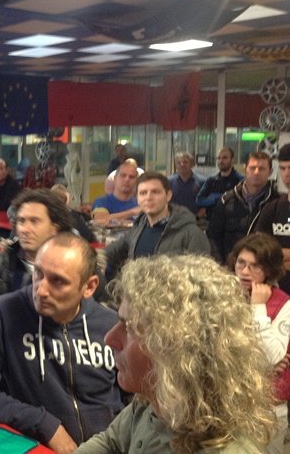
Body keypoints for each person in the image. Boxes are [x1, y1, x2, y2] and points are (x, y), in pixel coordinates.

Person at [77, 254, 276, 453]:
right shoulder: (154, 403)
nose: (109, 339)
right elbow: (110, 442)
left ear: (179, 349)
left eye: (130, 328)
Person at [0, 233, 123, 453]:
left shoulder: (110, 325)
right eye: (38, 273)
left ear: (89, 287)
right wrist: (43, 423)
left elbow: (135, 399)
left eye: (58, 281)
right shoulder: (6, 312)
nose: (41, 290)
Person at [227, 233, 290, 454]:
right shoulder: (223, 297)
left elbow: (270, 356)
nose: (245, 271)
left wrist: (258, 308)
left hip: (268, 411)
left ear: (269, 270)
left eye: (255, 266)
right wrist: (260, 367)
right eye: (241, 263)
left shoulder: (284, 303)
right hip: (228, 406)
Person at [0, 189, 75, 313]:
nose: (25, 229)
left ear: (55, 229)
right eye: (21, 221)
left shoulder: (75, 266)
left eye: (34, 221)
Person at [105, 172, 210, 279]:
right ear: (137, 199)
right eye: (143, 193)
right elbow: (110, 252)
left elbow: (201, 278)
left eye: (155, 192)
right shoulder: (138, 228)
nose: (148, 197)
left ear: (168, 196)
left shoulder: (192, 233)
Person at [208, 151, 278, 263]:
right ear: (245, 169)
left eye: (262, 169)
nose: (256, 172)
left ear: (270, 172)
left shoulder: (276, 202)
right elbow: (213, 236)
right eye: (252, 168)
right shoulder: (227, 200)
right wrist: (220, 264)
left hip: (262, 266)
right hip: (229, 265)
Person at [256, 143, 290, 294]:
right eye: (283, 168)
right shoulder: (272, 208)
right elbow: (260, 250)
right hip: (277, 290)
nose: (286, 174)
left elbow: (271, 255)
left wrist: (276, 258)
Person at [196, 146, 243, 218]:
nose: (221, 161)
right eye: (218, 158)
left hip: (233, 221)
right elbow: (199, 200)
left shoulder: (240, 181)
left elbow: (242, 203)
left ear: (232, 160)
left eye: (225, 158)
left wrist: (219, 198)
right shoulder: (211, 180)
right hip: (212, 220)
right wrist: (214, 198)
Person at [168, 151, 205, 216]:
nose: (182, 164)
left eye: (185, 162)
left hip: (195, 219)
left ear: (192, 165)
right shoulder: (169, 181)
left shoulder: (202, 181)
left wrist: (197, 218)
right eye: (179, 162)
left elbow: (205, 204)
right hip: (173, 218)